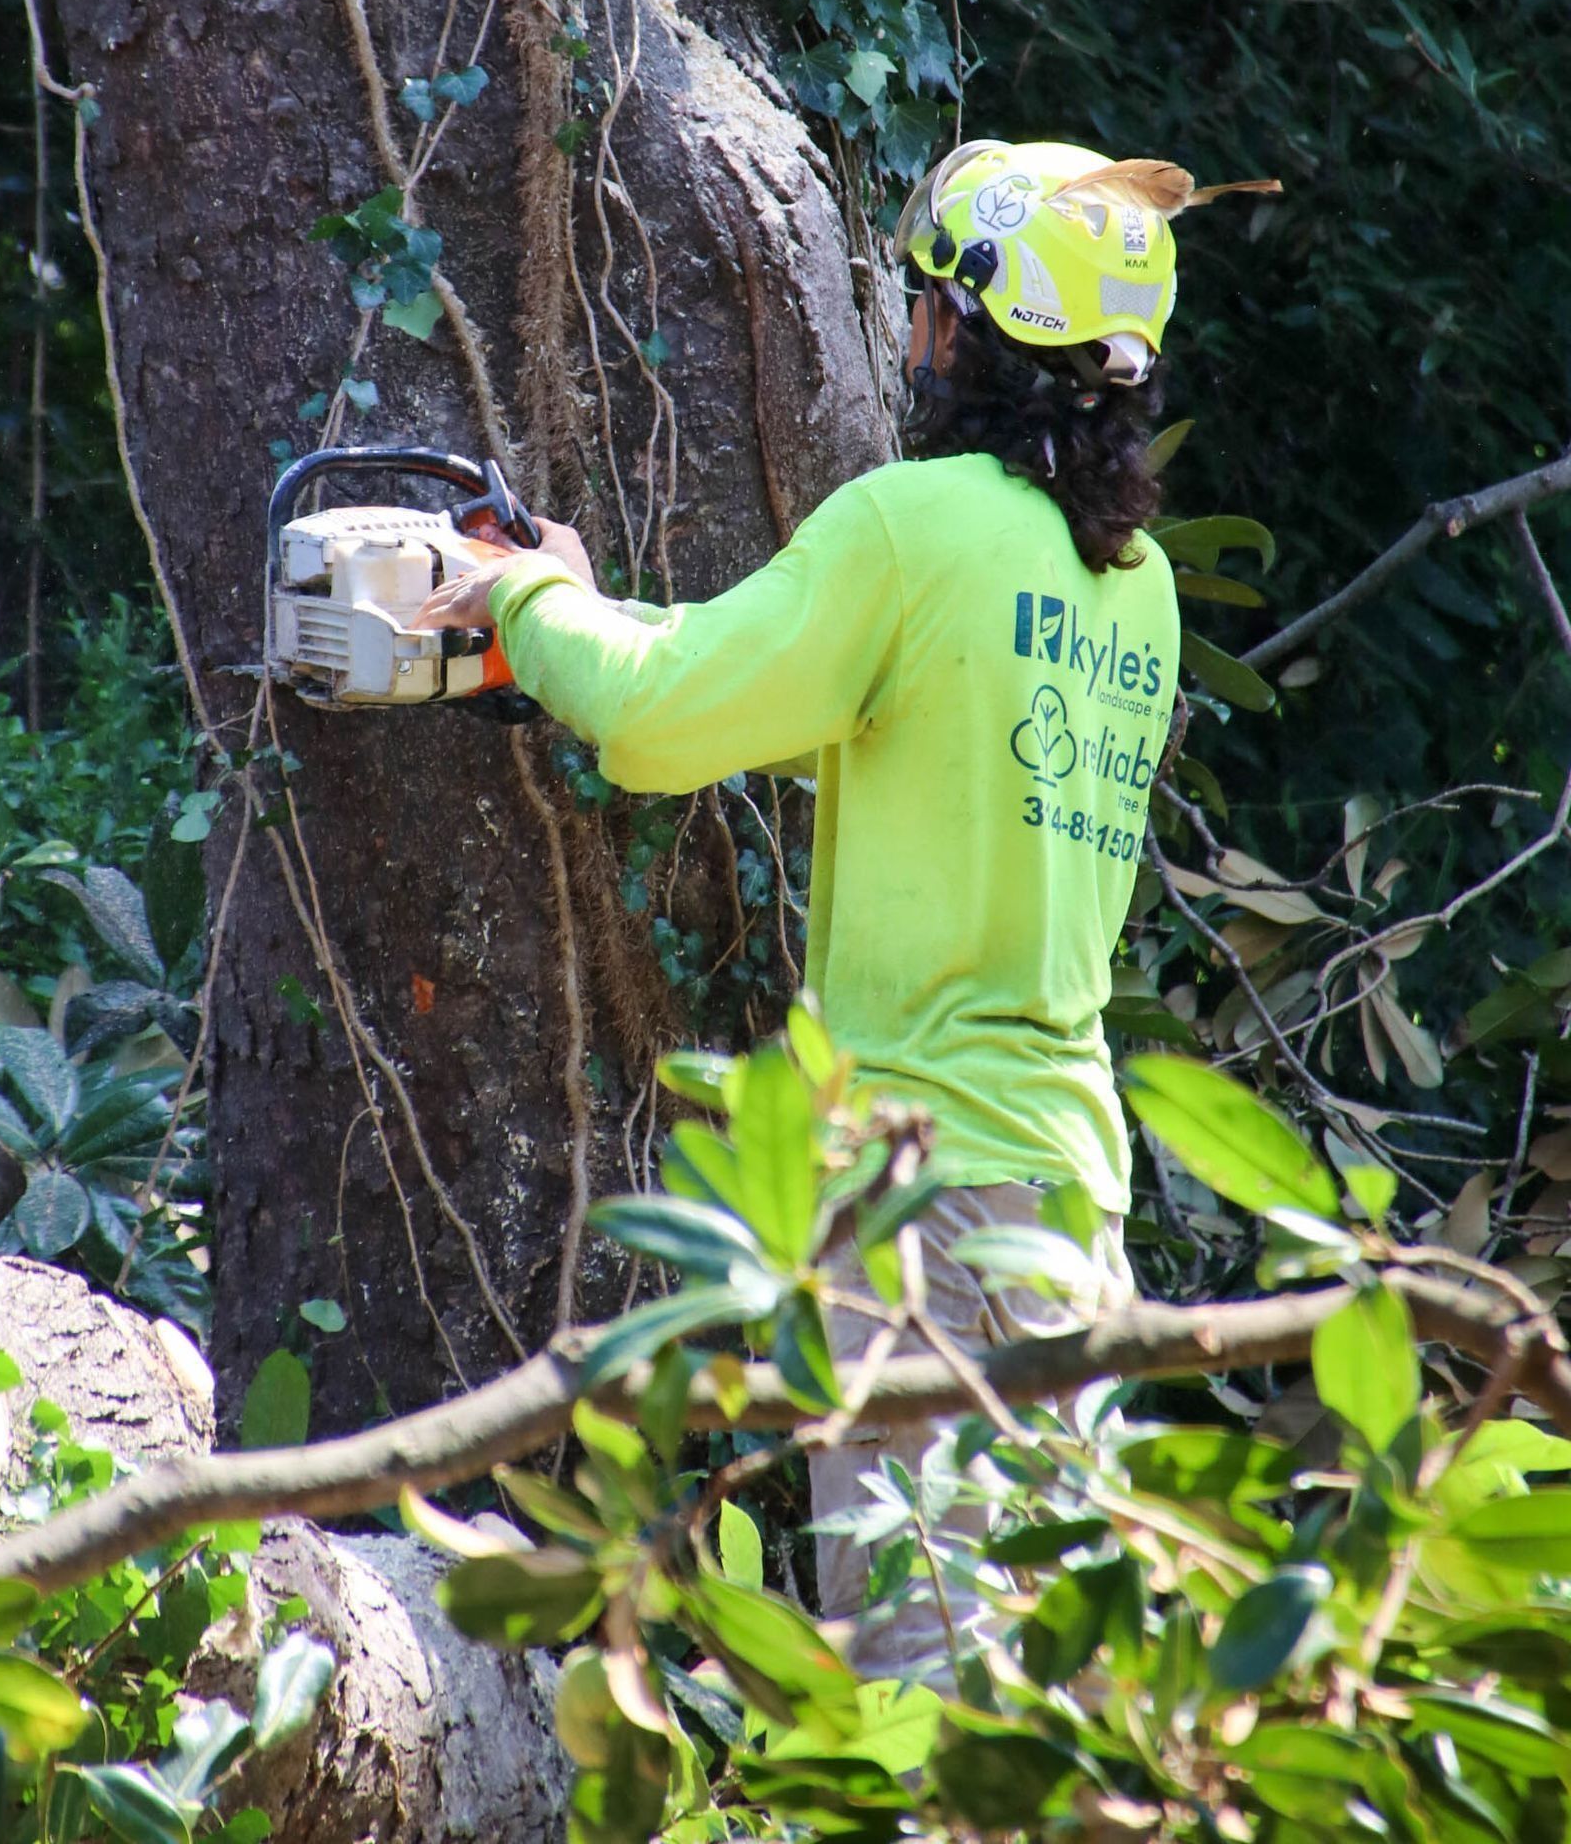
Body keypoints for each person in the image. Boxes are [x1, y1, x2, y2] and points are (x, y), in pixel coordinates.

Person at [417, 136, 1269, 1675]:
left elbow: (670, 721)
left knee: (916, 1679)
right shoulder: (1124, 578)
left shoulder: (911, 526)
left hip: (921, 1195)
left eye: (933, 300)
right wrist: (593, 613)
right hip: (1072, 1192)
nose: (916, 332)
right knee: (1050, 1684)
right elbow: (830, 701)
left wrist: (520, 603)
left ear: (969, 326)